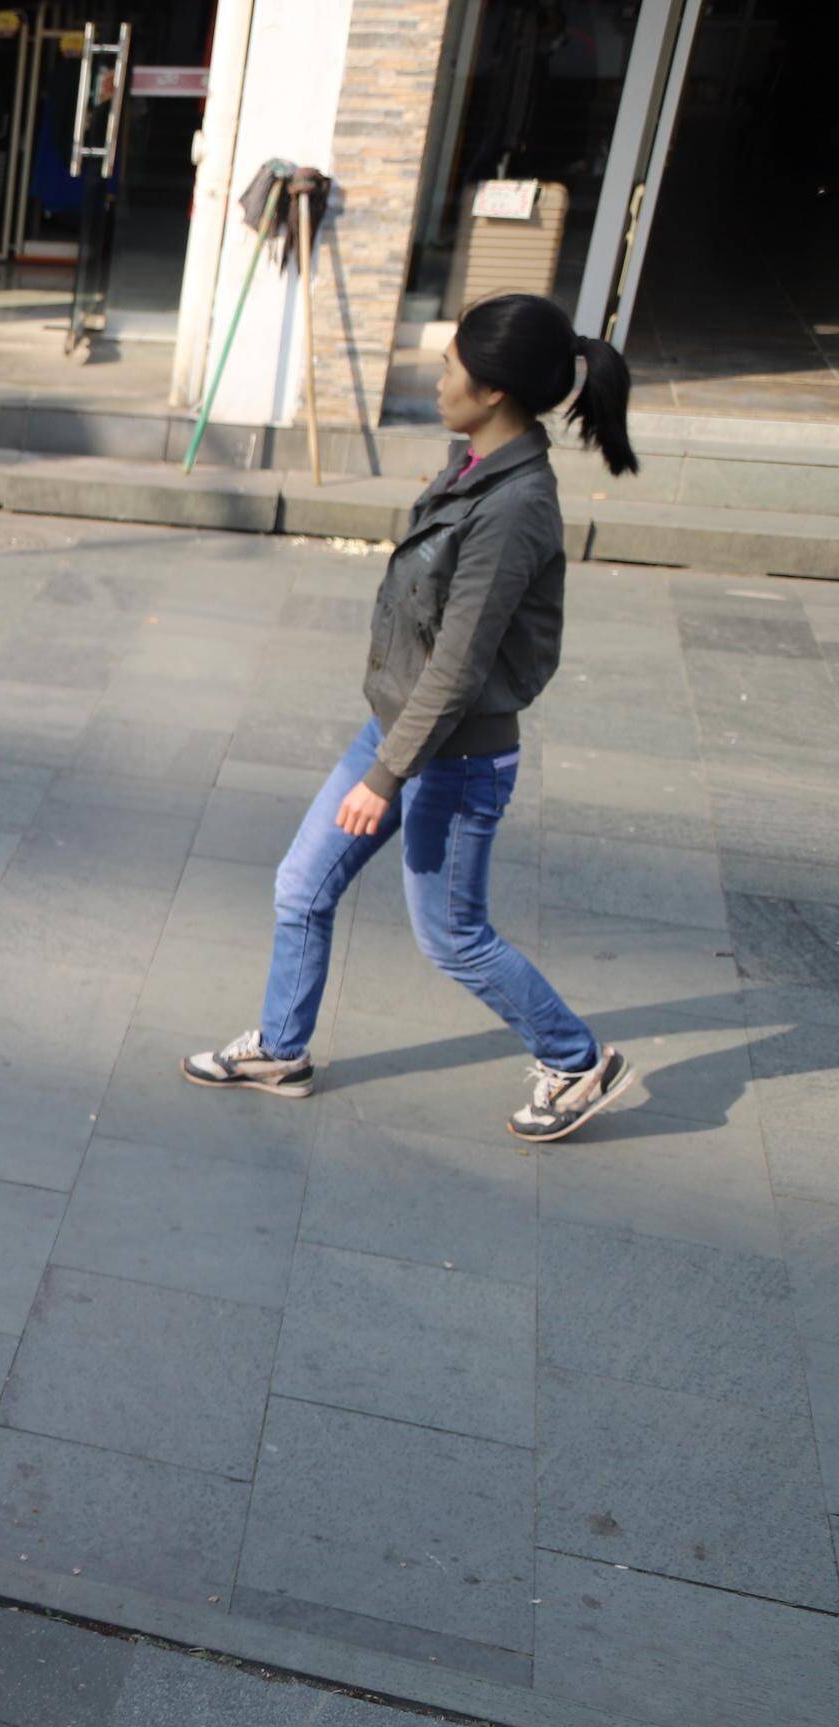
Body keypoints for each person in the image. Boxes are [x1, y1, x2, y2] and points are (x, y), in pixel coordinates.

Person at [185, 292, 639, 1142]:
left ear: (495, 389)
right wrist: (388, 753)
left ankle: (576, 1060)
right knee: (300, 886)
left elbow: (463, 661)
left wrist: (387, 775)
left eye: (449, 366)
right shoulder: (476, 463)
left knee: (453, 937)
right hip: (402, 730)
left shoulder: (514, 507)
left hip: (455, 758)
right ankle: (282, 1049)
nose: (437, 379)